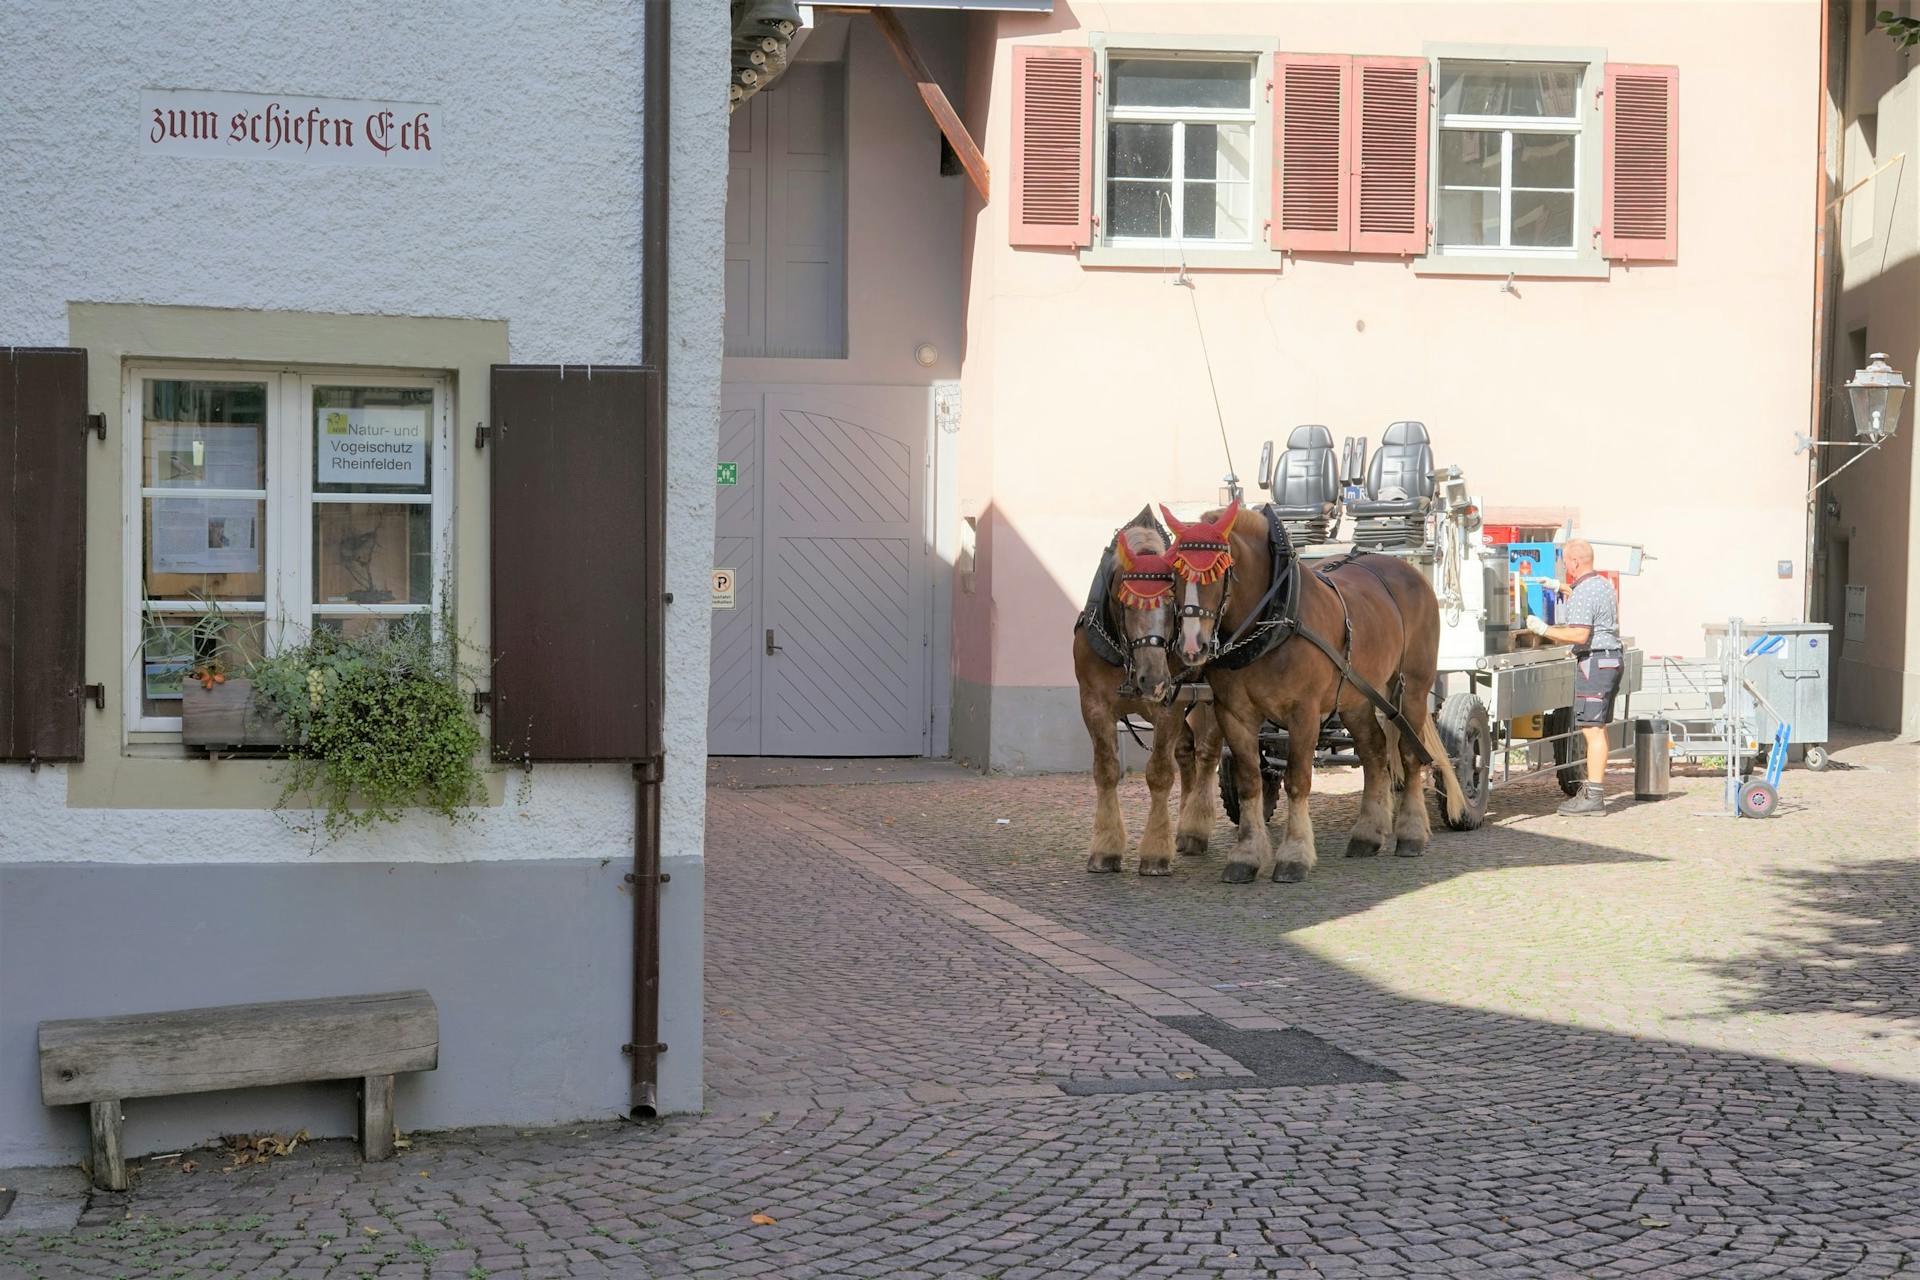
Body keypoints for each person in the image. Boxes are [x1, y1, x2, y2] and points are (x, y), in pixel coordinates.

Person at [1524, 539, 1623, 815]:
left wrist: (1543, 629)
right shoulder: (1600, 584)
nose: (1564, 567)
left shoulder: (1585, 592)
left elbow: (1579, 635)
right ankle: (1593, 793)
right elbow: (1581, 595)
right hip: (1610, 659)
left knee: (1592, 731)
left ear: (1575, 562)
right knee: (1598, 729)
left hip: (1595, 662)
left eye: (1565, 562)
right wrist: (1558, 587)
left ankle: (1594, 798)